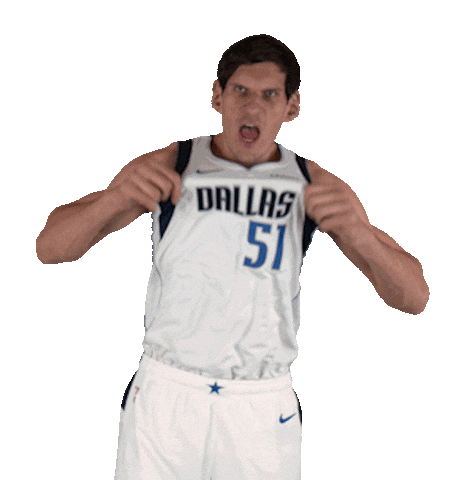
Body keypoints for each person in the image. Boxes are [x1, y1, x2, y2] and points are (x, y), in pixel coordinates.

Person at [36, 34, 429, 479]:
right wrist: (114, 199)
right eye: (240, 90)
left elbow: (414, 298)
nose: (252, 107)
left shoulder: (313, 183)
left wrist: (360, 235)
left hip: (258, 402)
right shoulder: (173, 163)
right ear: (217, 97)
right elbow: (50, 249)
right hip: (169, 390)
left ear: (292, 106)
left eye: (269, 95)